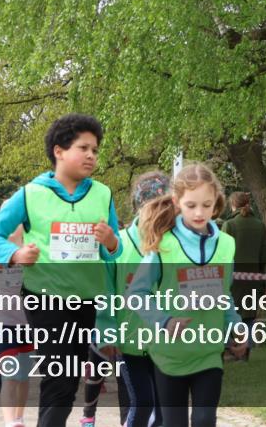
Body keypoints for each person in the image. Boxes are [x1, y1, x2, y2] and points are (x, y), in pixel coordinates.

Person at [0, 113, 122, 427]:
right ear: (59, 151)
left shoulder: (103, 194)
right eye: (84, 148)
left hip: (86, 299)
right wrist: (15, 253)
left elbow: (114, 254)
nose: (91, 155)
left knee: (68, 380)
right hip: (44, 297)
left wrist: (112, 243)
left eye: (95, 150)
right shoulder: (31, 193)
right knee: (61, 377)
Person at [127, 163, 246, 427]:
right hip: (169, 357)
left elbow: (223, 293)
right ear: (176, 202)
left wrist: (236, 327)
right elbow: (136, 294)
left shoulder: (226, 245)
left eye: (206, 204)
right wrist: (165, 321)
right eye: (191, 205)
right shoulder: (162, 245)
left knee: (204, 420)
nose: (199, 212)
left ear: (216, 201)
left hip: (208, 353)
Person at [93, 171, 168, 427]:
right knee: (143, 403)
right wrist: (106, 332)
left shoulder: (174, 245)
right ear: (140, 206)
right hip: (129, 342)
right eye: (153, 206)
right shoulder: (118, 245)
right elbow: (105, 292)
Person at [0, 225, 32, 427]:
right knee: (10, 374)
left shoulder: (33, 255)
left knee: (23, 375)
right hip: (2, 322)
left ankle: (19, 416)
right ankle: (11, 422)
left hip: (28, 322)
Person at [221, 192, 266, 361]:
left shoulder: (229, 225)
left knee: (227, 311)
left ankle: (228, 349)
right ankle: (245, 350)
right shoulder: (260, 225)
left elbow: (223, 254)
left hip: (232, 277)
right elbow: (264, 256)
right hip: (253, 277)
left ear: (232, 205)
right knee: (249, 315)